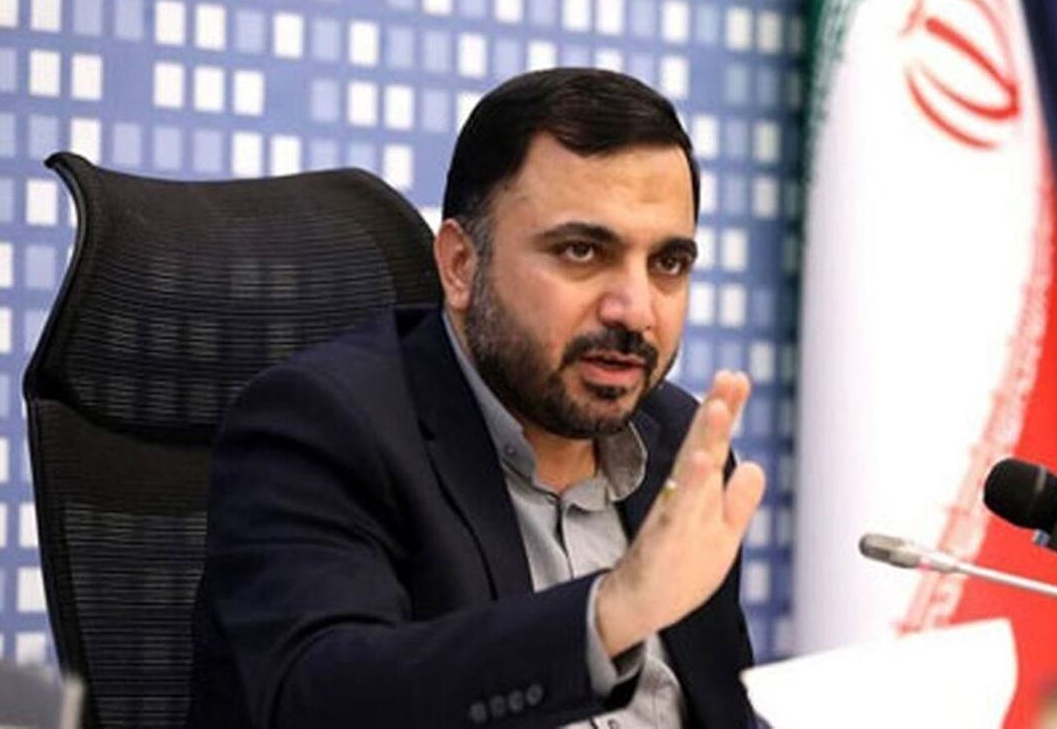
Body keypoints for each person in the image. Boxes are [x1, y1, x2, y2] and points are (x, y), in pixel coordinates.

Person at [187, 68, 766, 729]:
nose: (635, 310)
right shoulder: (322, 424)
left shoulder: (681, 445)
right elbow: (316, 700)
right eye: (582, 251)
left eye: (668, 264)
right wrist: (609, 615)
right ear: (461, 265)